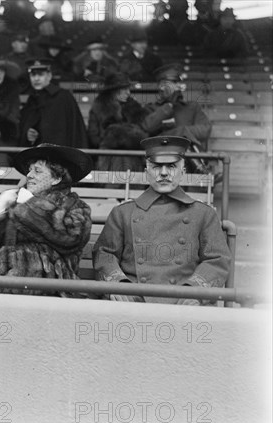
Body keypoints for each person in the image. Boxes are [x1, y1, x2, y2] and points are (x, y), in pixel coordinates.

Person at [92, 136, 231, 305]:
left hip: (185, 302)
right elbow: (104, 253)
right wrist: (118, 285)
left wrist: (195, 291)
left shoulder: (203, 214)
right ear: (146, 173)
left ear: (183, 172)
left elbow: (217, 259)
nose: (164, 173)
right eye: (157, 166)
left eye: (172, 166)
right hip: (134, 301)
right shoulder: (122, 213)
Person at [0, 143, 93, 296]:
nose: (29, 175)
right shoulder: (13, 201)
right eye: (30, 170)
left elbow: (71, 237)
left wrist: (30, 205)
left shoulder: (77, 207)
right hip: (4, 287)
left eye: (37, 171)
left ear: (56, 178)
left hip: (54, 291)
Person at [141, 64, 212, 166]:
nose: (178, 86)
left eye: (179, 82)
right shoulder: (150, 109)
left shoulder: (192, 107)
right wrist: (169, 106)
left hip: (186, 162)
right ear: (161, 86)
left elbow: (205, 130)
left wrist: (183, 132)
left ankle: (199, 168)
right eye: (174, 82)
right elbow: (146, 129)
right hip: (159, 161)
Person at [19, 58, 88, 148]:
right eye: (33, 75)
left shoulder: (63, 97)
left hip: (61, 152)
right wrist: (28, 134)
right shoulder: (32, 99)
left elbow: (75, 131)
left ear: (49, 76)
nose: (36, 78)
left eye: (40, 75)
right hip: (38, 154)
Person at [87, 73, 148, 172]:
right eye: (124, 89)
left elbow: (143, 136)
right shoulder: (99, 108)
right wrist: (110, 140)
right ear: (113, 91)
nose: (128, 93)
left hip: (133, 160)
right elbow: (93, 137)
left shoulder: (135, 109)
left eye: (129, 89)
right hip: (109, 160)